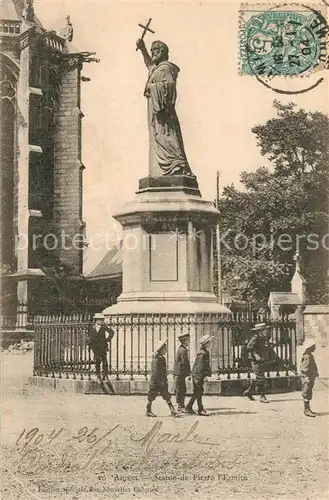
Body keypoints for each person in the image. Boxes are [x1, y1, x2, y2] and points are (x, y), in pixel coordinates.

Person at [136, 38, 194, 177]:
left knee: (165, 137)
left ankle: (177, 165)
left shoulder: (166, 68)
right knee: (158, 137)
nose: (152, 53)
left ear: (162, 52)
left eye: (155, 50)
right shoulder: (157, 69)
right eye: (151, 51)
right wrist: (143, 49)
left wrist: (151, 87)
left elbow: (169, 86)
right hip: (155, 112)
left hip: (162, 111)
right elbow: (150, 65)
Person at [146, 339, 178, 417]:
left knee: (166, 395)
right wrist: (160, 382)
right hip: (156, 382)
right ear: (161, 350)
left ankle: (172, 410)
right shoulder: (156, 359)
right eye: (165, 349)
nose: (166, 350)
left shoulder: (161, 358)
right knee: (151, 396)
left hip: (161, 381)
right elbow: (156, 372)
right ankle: (148, 410)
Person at [185, 334, 213, 416]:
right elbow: (199, 366)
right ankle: (198, 409)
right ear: (206, 343)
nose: (211, 343)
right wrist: (202, 377)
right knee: (198, 392)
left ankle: (191, 407)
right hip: (198, 376)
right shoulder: (202, 353)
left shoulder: (204, 352)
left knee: (198, 392)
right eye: (210, 342)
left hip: (198, 375)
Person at [243, 323, 270, 403]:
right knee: (261, 377)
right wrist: (255, 354)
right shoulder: (255, 337)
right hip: (254, 360)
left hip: (261, 360)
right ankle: (262, 396)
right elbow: (248, 347)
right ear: (260, 331)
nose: (266, 331)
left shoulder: (262, 337)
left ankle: (248, 392)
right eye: (265, 330)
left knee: (259, 377)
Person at [88, 313, 115, 381]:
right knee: (97, 361)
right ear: (96, 320)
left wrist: (107, 339)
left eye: (102, 319)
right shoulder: (92, 327)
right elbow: (91, 337)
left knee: (105, 361)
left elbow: (112, 332)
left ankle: (105, 375)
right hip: (96, 347)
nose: (101, 321)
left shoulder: (104, 327)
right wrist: (90, 346)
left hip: (103, 346)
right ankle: (98, 375)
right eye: (100, 320)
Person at [300, 339, 319, 418]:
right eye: (313, 346)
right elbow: (304, 368)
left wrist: (315, 372)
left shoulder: (309, 355)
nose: (315, 348)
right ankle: (306, 410)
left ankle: (308, 409)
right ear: (310, 347)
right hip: (307, 377)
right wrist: (306, 377)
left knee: (309, 392)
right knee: (306, 393)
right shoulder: (307, 356)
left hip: (310, 377)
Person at [173, 333, 191, 411]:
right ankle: (180, 406)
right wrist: (188, 373)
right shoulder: (183, 350)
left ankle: (181, 405)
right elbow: (185, 362)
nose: (189, 342)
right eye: (188, 340)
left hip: (179, 372)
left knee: (180, 389)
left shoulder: (181, 349)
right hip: (180, 373)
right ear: (184, 341)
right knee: (181, 389)